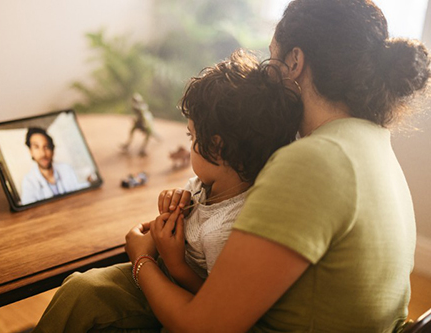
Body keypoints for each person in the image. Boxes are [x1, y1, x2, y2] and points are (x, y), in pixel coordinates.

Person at [124, 0, 430, 332]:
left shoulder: (314, 160)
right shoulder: (373, 141)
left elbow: (203, 326)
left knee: (89, 295)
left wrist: (141, 261)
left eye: (272, 58)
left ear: (295, 60)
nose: (264, 78)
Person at [32, 49, 303, 332]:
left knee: (82, 294)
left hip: (177, 289)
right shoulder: (213, 182)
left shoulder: (224, 231)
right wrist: (173, 204)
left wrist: (170, 263)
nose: (189, 144)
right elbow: (195, 199)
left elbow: (212, 305)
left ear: (216, 147)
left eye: (191, 136)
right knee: (79, 287)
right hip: (162, 269)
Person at [21, 127, 89, 205]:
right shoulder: (28, 181)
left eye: (46, 147)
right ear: (31, 151)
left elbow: (83, 191)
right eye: (36, 147)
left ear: (52, 150)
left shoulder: (66, 169)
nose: (43, 154)